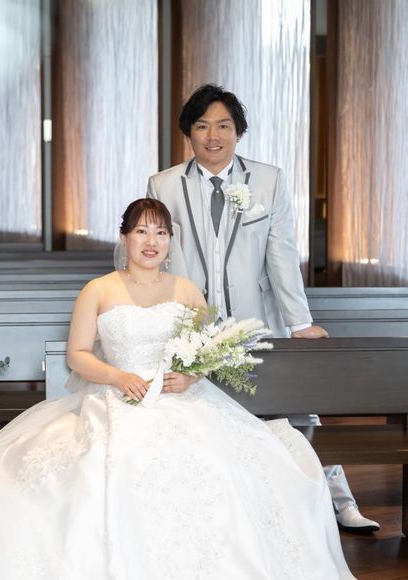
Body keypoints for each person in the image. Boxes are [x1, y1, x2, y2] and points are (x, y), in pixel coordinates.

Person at [0, 199, 355, 579]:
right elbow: (79, 354)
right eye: (141, 231)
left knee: (229, 466)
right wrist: (118, 376)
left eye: (161, 233)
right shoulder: (98, 290)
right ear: (124, 238)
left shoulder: (187, 290)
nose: (151, 241)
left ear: (169, 242)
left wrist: (191, 376)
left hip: (181, 397)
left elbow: (209, 349)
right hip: (115, 396)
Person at [147, 83, 379, 533]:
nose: (213, 136)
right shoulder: (164, 184)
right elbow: (159, 251)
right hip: (192, 329)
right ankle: (222, 514)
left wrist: (300, 322)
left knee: (296, 410)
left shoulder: (268, 180)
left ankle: (339, 500)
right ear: (188, 133)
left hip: (257, 322)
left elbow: (282, 255)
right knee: (197, 419)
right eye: (202, 126)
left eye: (223, 126)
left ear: (238, 132)